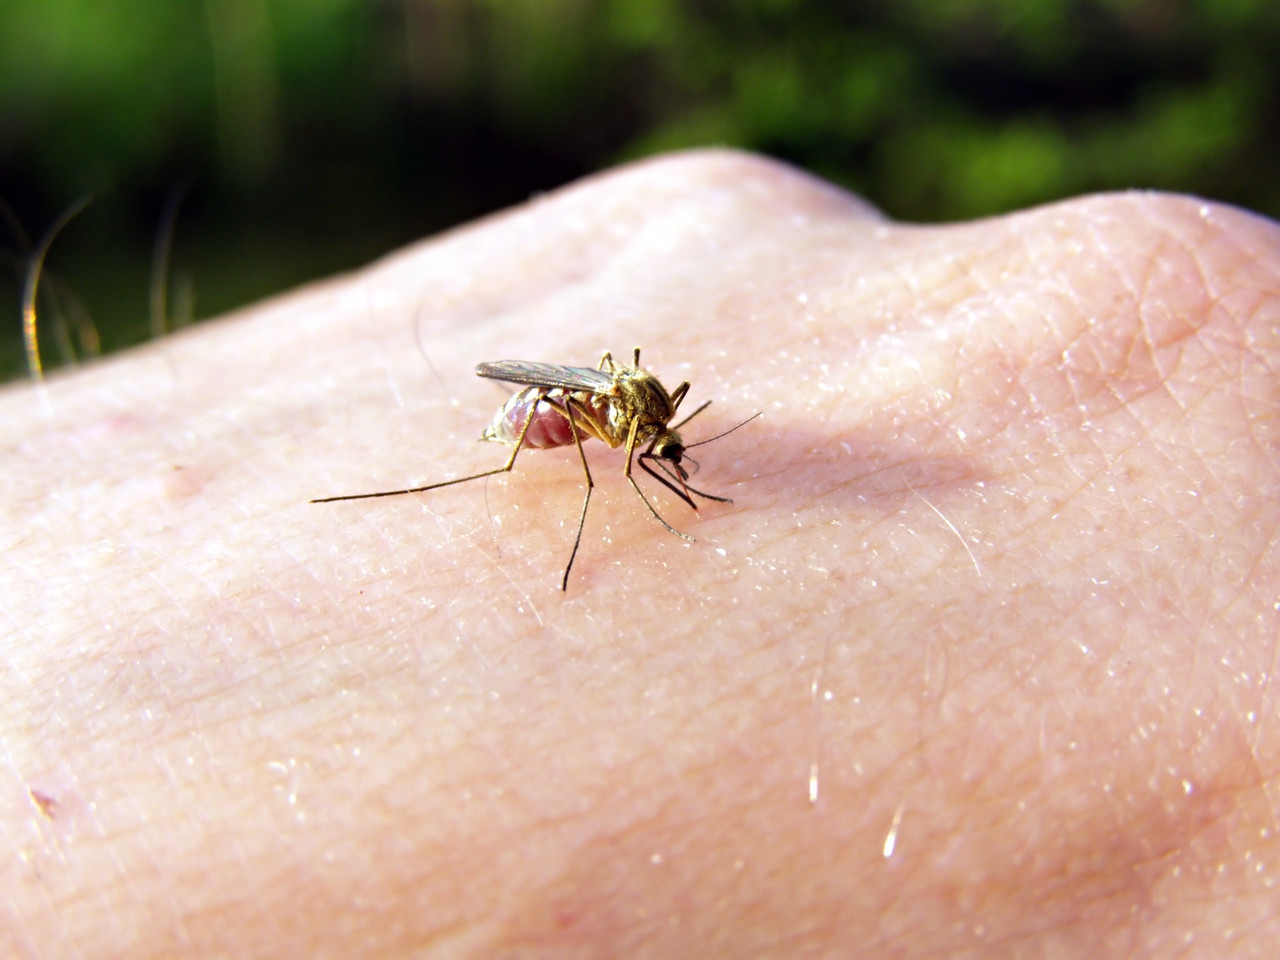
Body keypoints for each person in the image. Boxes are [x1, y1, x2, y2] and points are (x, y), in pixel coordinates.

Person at [5, 150, 1276, 957]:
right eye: (661, 442)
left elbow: (648, 420)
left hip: (587, 392)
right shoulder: (597, 415)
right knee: (567, 455)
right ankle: (479, 478)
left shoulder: (651, 414)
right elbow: (588, 413)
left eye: (663, 442)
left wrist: (662, 449)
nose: (667, 451)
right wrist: (589, 451)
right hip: (536, 409)